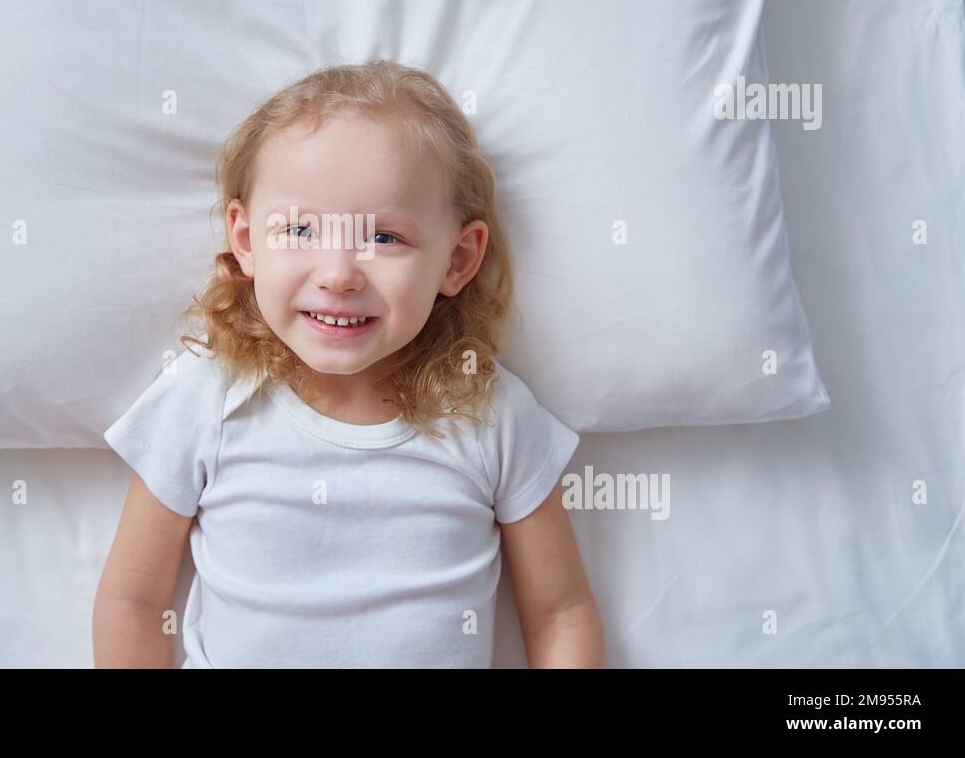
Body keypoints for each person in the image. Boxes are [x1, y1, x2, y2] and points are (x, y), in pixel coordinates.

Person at [92, 59, 603, 668]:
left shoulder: (492, 413)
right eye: (301, 230)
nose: (337, 274)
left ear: (457, 260)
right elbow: (133, 601)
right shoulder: (205, 398)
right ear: (247, 239)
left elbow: (559, 613)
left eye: (384, 238)